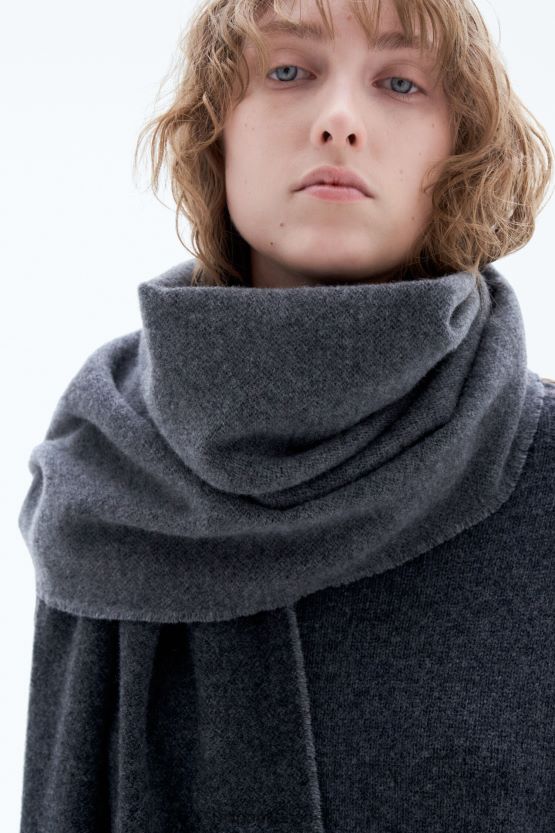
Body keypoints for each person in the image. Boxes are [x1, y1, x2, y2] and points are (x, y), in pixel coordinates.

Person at [18, 1, 554, 831]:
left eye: (400, 83)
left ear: (459, 149)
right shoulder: (101, 464)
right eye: (288, 71)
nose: (338, 119)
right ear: (216, 133)